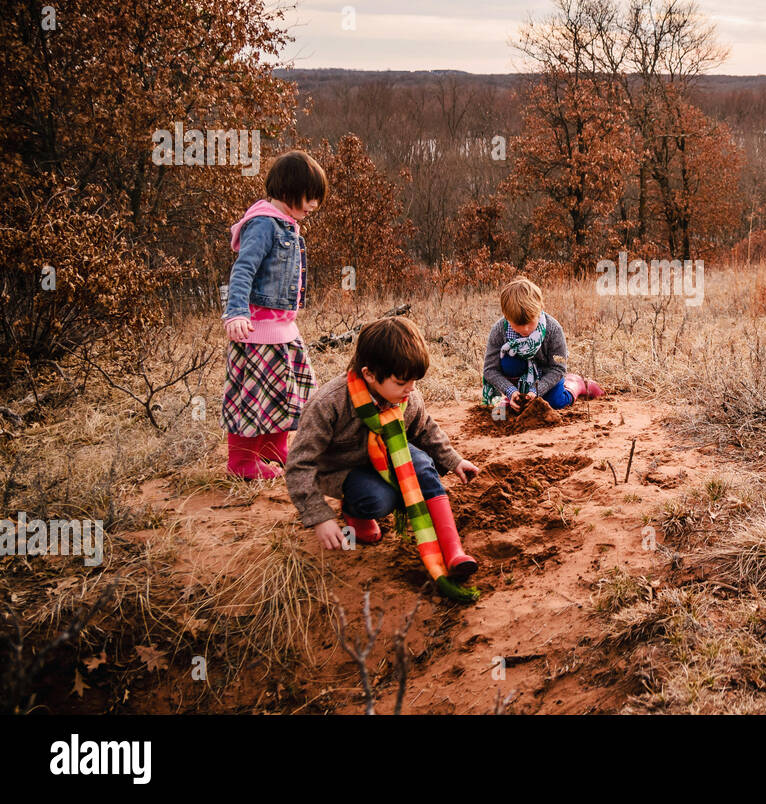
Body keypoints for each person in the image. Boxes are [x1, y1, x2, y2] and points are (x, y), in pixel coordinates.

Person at [285, 316, 479, 597]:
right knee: (379, 500)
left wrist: (454, 460)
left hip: (390, 453)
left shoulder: (406, 395)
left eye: (414, 380)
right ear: (370, 374)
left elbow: (425, 429)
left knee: (424, 466)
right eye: (402, 381)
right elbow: (299, 463)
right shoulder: (329, 404)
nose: (411, 388)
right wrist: (318, 516)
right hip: (345, 469)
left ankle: (454, 551)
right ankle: (355, 513)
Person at [221, 151, 327, 480]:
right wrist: (235, 312)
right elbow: (243, 270)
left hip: (282, 331)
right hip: (256, 331)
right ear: (287, 192)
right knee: (251, 397)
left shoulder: (287, 224)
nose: (313, 205)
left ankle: (271, 448)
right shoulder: (263, 224)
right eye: (309, 197)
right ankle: (241, 462)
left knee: (285, 391)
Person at [481, 277, 603, 412]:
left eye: (530, 323)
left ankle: (575, 383)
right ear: (506, 317)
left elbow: (558, 369)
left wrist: (536, 391)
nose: (525, 330)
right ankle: (516, 396)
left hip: (547, 375)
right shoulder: (498, 330)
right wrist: (510, 391)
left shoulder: (554, 329)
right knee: (510, 363)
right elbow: (490, 370)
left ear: (539, 310)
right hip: (518, 377)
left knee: (556, 403)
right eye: (517, 325)